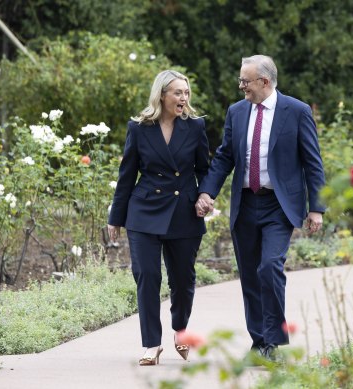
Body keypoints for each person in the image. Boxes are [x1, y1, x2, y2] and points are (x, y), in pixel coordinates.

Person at [195, 55, 325, 360]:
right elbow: (226, 156)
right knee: (251, 276)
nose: (241, 86)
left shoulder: (296, 111)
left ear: (264, 82)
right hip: (245, 203)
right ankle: (260, 341)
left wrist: (316, 208)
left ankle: (274, 341)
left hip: (278, 205)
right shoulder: (237, 112)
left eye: (245, 81)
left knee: (269, 267)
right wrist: (207, 192)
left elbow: (313, 162)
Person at [107, 70, 209, 366]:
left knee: (183, 279)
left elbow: (205, 168)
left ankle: (180, 330)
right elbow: (127, 174)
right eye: (178, 93)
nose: (184, 98)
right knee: (147, 276)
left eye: (186, 93)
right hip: (144, 210)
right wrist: (116, 217)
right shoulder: (139, 128)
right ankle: (151, 344)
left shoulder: (195, 126)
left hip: (184, 212)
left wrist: (206, 194)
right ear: (162, 95)